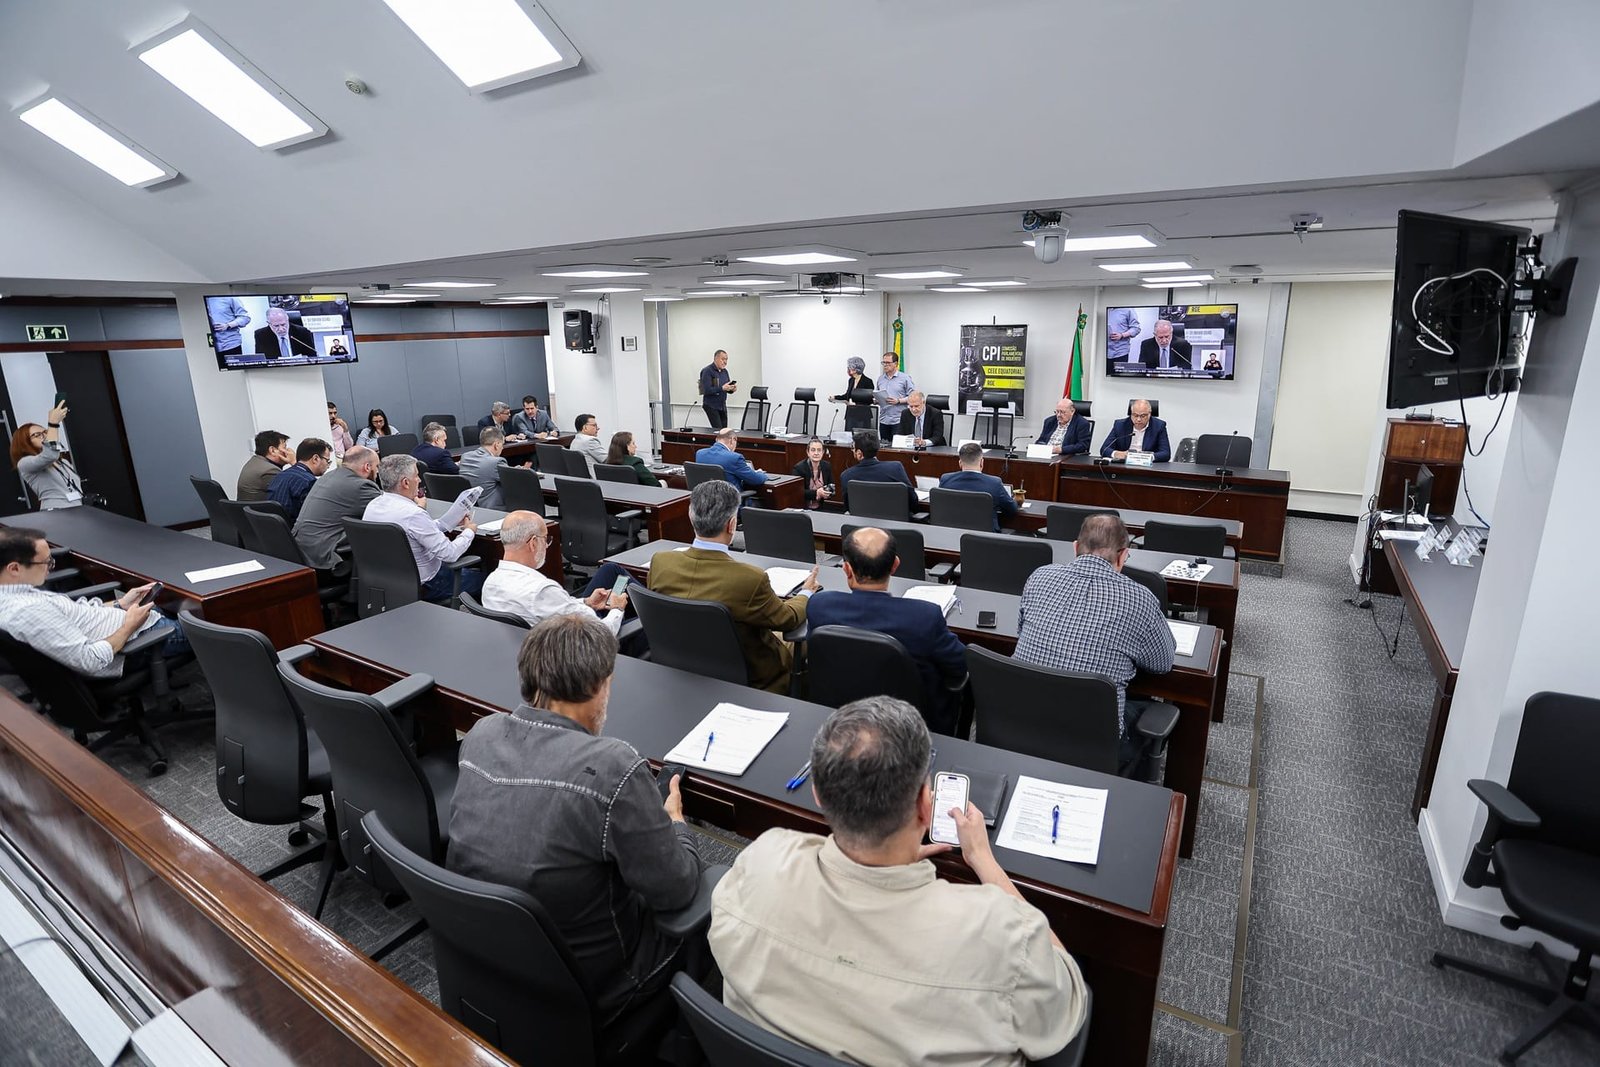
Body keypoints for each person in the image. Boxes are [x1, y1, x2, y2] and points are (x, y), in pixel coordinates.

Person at [708, 696, 1088, 1066]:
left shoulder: (761, 861)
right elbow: (1067, 1003)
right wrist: (986, 864)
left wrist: (886, 857)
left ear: (818, 795)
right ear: (927, 804)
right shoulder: (1003, 934)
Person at [447, 613, 703, 1028]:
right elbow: (676, 890)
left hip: (492, 964)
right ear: (596, 687)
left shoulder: (480, 734)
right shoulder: (613, 766)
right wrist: (675, 824)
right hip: (596, 985)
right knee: (713, 897)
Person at [1014, 513, 1176, 770]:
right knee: (1156, 710)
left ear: (1076, 547)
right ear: (1123, 555)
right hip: (1094, 742)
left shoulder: (1040, 577)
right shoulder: (1140, 599)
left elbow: (1021, 631)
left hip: (1022, 722)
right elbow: (1162, 664)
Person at [647, 481, 818, 693]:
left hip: (683, 669)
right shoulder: (750, 578)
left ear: (691, 517)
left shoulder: (660, 562)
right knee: (813, 635)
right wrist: (807, 592)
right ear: (732, 524)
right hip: (756, 679)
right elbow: (788, 619)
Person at [805, 528, 967, 734]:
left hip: (842, 717)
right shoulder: (924, 617)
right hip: (910, 727)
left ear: (846, 569)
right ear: (895, 565)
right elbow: (959, 666)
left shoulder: (819, 606)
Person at [0, 527, 187, 678]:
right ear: (15, 568)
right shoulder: (29, 612)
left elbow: (75, 614)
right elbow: (90, 660)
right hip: (139, 640)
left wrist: (120, 604)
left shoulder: (16, 593)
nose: (51, 567)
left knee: (180, 607)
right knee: (209, 628)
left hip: (132, 622)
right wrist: (129, 626)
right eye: (46, 562)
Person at [480, 511, 633, 637]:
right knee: (647, 621)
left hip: (536, 645)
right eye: (546, 539)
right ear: (533, 543)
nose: (547, 546)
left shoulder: (490, 583)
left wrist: (586, 602)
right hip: (582, 650)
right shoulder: (542, 590)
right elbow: (604, 633)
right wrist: (617, 609)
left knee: (609, 569)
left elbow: (554, 607)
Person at [361, 454, 483, 603]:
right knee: (487, 581)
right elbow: (449, 554)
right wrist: (469, 531)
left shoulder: (373, 505)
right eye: (417, 476)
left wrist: (446, 523)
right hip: (429, 584)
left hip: (389, 582)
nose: (419, 480)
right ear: (406, 482)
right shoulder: (413, 514)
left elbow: (414, 530)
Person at [293, 446, 379, 573]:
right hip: (325, 562)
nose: (377, 472)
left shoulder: (327, 477)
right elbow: (388, 509)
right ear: (367, 467)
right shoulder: (360, 486)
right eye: (377, 466)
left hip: (301, 554)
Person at [11, 402, 85, 509]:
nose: (44, 436)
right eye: (37, 435)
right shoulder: (24, 463)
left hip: (77, 509)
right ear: (25, 442)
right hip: (56, 513)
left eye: (45, 432)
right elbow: (50, 455)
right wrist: (53, 423)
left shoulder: (62, 462)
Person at [936, 442, 1019, 531]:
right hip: (984, 540)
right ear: (982, 463)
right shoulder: (994, 483)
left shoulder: (946, 479)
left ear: (960, 463)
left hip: (952, 536)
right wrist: (1016, 499)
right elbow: (1012, 509)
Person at [836, 430, 913, 504]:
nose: (852, 450)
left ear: (859, 454)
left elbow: (849, 507)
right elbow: (912, 499)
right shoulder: (896, 468)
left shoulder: (846, 475)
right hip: (895, 517)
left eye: (853, 448)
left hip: (860, 517)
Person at [266, 438, 331, 524]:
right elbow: (316, 518)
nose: (328, 465)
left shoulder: (279, 476)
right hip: (296, 533)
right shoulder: (308, 482)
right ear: (315, 459)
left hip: (275, 532)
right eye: (327, 461)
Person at [458, 426, 516, 508]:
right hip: (495, 509)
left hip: (471, 508)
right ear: (496, 445)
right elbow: (513, 481)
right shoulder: (496, 462)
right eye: (502, 444)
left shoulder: (465, 457)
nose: (502, 448)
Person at [694, 426, 768, 490]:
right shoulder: (735, 458)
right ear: (732, 440)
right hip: (731, 503)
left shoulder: (700, 453)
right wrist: (761, 474)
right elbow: (755, 480)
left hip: (706, 502)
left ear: (716, 439)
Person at [1099, 399, 1171, 462]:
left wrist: (1146, 457)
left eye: (1143, 416)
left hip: (1147, 467)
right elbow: (1104, 449)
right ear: (1131, 413)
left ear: (1150, 414)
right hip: (1123, 465)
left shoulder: (1159, 426)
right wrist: (1118, 454)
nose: (1138, 419)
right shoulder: (1120, 425)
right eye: (1135, 415)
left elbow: (1166, 453)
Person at [237, 430, 290, 502]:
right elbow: (293, 490)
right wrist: (294, 462)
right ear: (273, 450)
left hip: (247, 511)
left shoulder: (254, 461)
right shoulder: (270, 470)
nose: (288, 452)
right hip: (262, 512)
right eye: (284, 448)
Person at [873, 351, 915, 440]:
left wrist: (898, 401)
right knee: (885, 448)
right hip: (884, 419)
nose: (885, 365)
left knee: (897, 449)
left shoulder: (905, 378)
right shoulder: (880, 379)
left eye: (888, 363)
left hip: (898, 420)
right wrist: (877, 400)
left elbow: (913, 397)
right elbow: (878, 393)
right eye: (883, 362)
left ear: (895, 364)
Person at [828, 356, 876, 431]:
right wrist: (835, 397)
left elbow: (869, 400)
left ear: (856, 369)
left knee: (861, 439)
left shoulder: (868, 381)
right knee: (848, 437)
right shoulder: (851, 380)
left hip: (862, 415)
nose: (848, 369)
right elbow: (847, 396)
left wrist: (856, 404)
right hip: (851, 414)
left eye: (850, 367)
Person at [790, 438, 835, 509]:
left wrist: (828, 492)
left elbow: (831, 486)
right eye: (813, 450)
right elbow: (796, 492)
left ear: (823, 452)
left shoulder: (826, 466)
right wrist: (816, 493)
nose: (816, 453)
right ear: (808, 452)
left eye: (819, 450)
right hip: (803, 507)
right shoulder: (799, 468)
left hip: (821, 507)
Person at [698, 349, 736, 429]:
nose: (725, 362)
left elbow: (725, 388)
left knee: (725, 431)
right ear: (716, 358)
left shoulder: (725, 371)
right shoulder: (707, 371)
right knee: (718, 430)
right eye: (723, 359)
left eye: (726, 359)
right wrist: (722, 388)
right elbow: (706, 390)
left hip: (722, 405)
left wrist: (731, 389)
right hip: (711, 405)